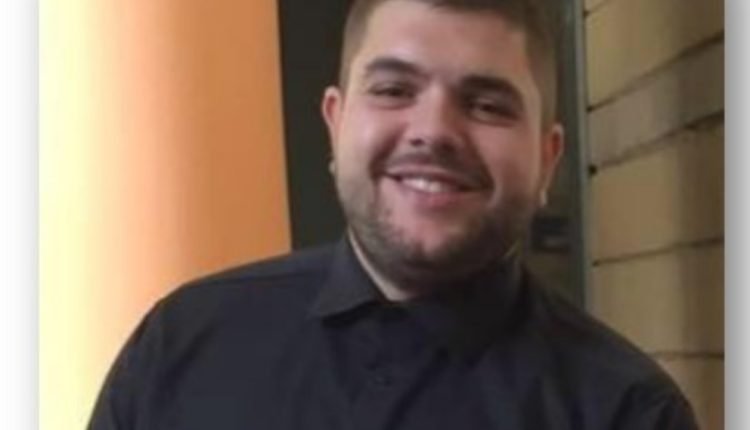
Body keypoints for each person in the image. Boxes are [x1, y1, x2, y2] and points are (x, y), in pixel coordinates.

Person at [89, 0, 699, 428]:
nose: (434, 130)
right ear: (335, 123)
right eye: (393, 90)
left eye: (487, 104)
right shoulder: (182, 343)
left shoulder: (628, 412)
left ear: (547, 159)